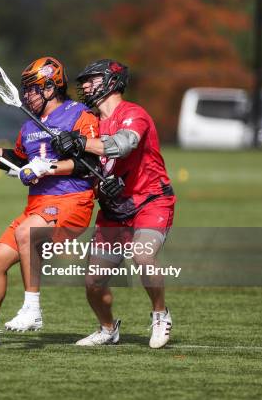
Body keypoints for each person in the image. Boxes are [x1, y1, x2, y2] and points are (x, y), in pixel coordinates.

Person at [0, 57, 100, 347]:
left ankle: (32, 308)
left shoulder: (80, 114)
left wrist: (48, 167)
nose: (27, 95)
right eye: (26, 89)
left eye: (33, 89)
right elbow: (16, 163)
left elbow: (91, 162)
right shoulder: (29, 127)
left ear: (51, 86)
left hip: (72, 200)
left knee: (26, 232)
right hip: (38, 205)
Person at [51, 59, 175, 349]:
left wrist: (80, 143)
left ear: (111, 81)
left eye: (91, 80)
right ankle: (108, 329)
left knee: (142, 254)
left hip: (150, 201)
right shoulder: (90, 121)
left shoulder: (134, 114)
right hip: (113, 210)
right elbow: (84, 165)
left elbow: (122, 145)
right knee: (93, 282)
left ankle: (160, 314)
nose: (83, 86)